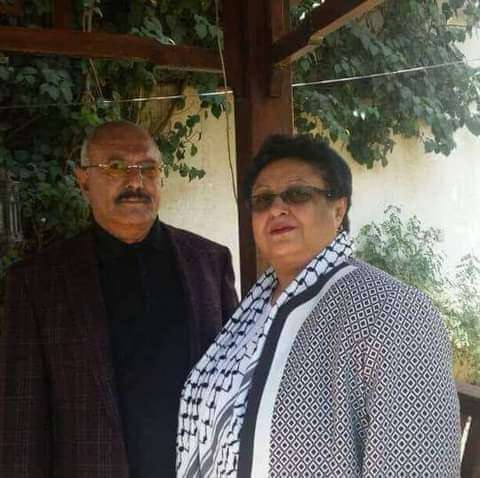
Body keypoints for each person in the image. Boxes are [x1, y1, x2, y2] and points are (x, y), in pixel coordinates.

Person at [177, 134, 460, 477]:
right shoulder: (253, 311)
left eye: (297, 194)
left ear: (338, 209)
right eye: (263, 200)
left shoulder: (392, 310)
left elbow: (417, 465)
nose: (276, 209)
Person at [0, 121, 238, 478]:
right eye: (115, 167)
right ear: (83, 180)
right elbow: (21, 421)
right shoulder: (38, 282)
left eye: (148, 168)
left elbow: (237, 386)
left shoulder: (208, 262)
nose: (135, 182)